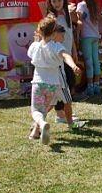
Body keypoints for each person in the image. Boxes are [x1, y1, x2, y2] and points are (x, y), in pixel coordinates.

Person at [27, 16, 84, 145]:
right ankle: (37, 131)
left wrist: (36, 40)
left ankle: (42, 124)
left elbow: (30, 54)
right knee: (45, 109)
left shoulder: (34, 46)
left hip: (38, 83)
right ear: (54, 34)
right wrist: (73, 66)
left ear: (39, 31)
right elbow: (65, 55)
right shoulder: (56, 46)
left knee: (36, 111)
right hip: (53, 85)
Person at [44, 0, 80, 120]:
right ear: (50, 3)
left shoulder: (67, 14)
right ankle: (60, 113)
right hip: (58, 57)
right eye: (54, 1)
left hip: (68, 54)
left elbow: (70, 34)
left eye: (59, 0)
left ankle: (63, 111)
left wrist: (74, 50)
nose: (57, 3)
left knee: (70, 83)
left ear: (64, 0)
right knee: (64, 84)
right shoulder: (51, 18)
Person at [75, 0, 102, 96]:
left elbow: (80, 22)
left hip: (86, 36)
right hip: (95, 35)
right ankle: (97, 85)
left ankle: (90, 86)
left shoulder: (81, 5)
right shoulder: (94, 4)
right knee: (96, 60)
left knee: (88, 62)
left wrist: (77, 35)